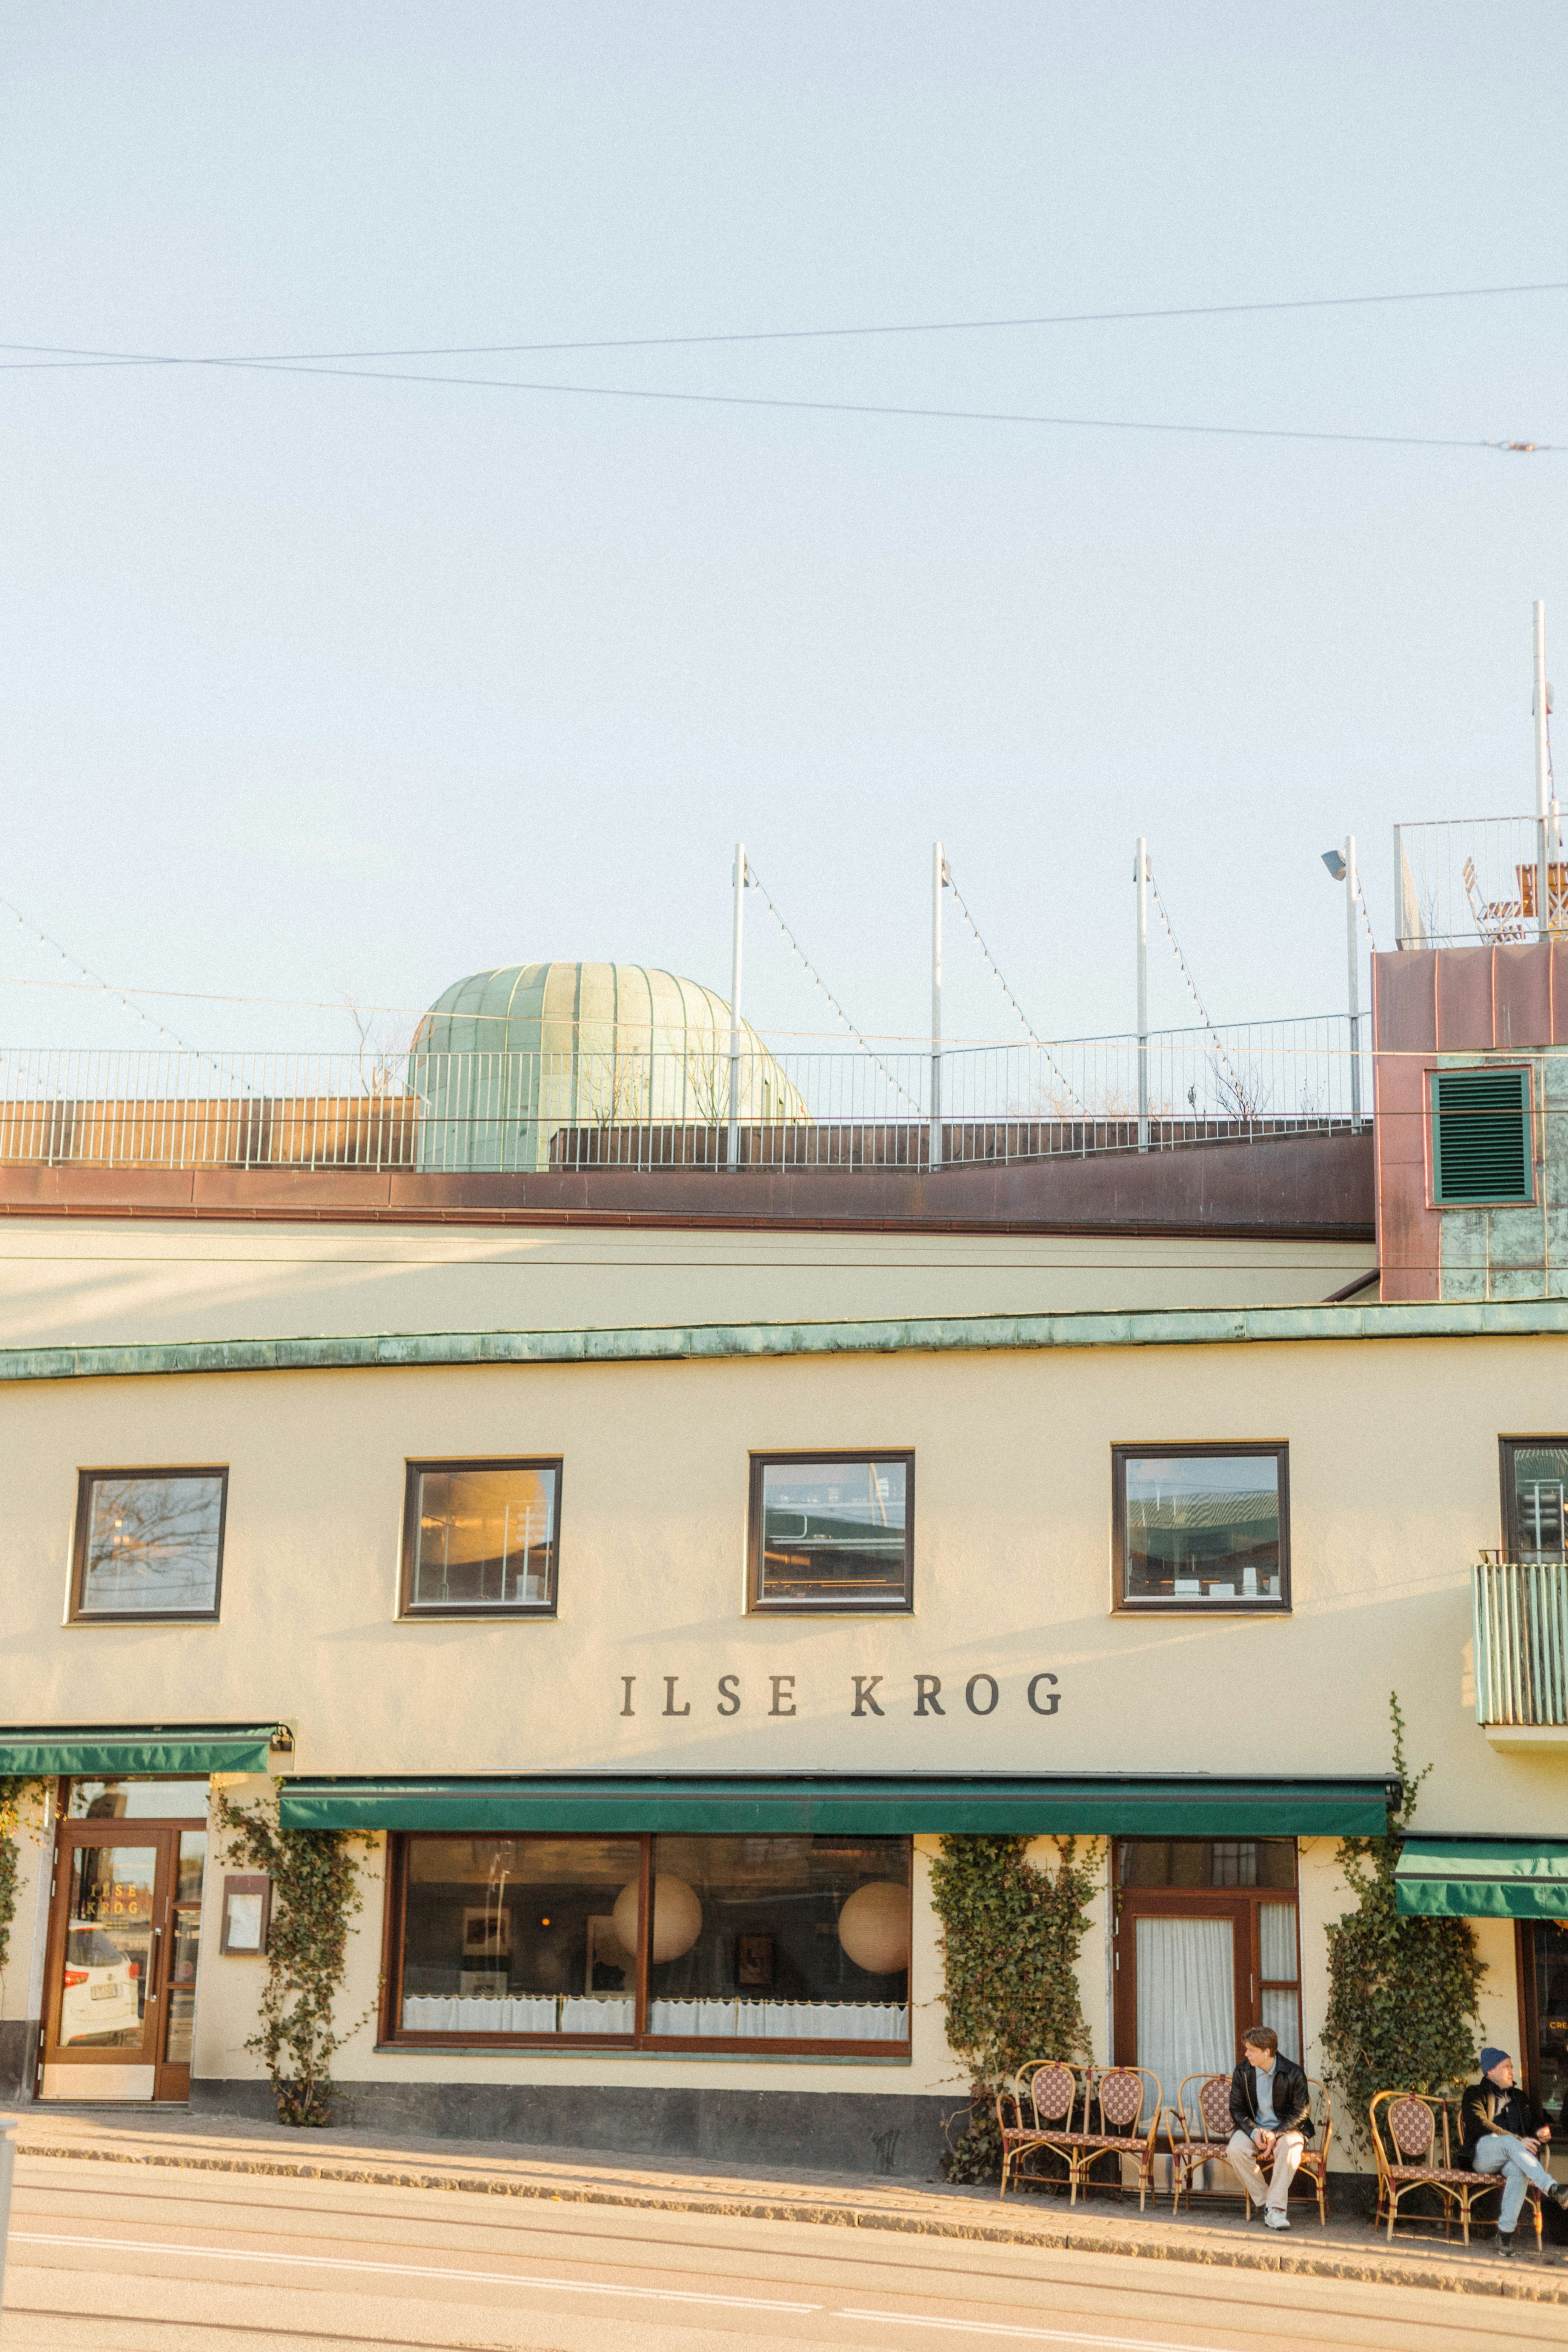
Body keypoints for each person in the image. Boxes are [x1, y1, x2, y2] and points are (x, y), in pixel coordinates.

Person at [1459, 2047, 1568, 2255]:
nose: (1513, 2072)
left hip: (1514, 2158)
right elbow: (1479, 2124)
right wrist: (1519, 2140)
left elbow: (1536, 2121)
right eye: (1507, 2067)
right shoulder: (1475, 2093)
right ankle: (1552, 2188)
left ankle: (1505, 2233)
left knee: (1519, 2171)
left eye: (1512, 2067)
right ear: (1491, 2071)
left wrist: (1541, 2130)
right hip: (1484, 2154)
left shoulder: (1520, 2097)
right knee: (1509, 2142)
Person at [1226, 2025, 1314, 2230]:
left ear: (1267, 2052)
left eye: (1251, 2050)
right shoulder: (1243, 2072)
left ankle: (1276, 2209)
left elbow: (1301, 2113)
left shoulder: (1293, 2073)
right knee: (1235, 2150)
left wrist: (1275, 2134)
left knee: (1290, 2149)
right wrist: (1254, 2132)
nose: (1246, 2054)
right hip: (1254, 2128)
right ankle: (1270, 2205)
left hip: (1287, 2129)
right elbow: (1236, 2109)